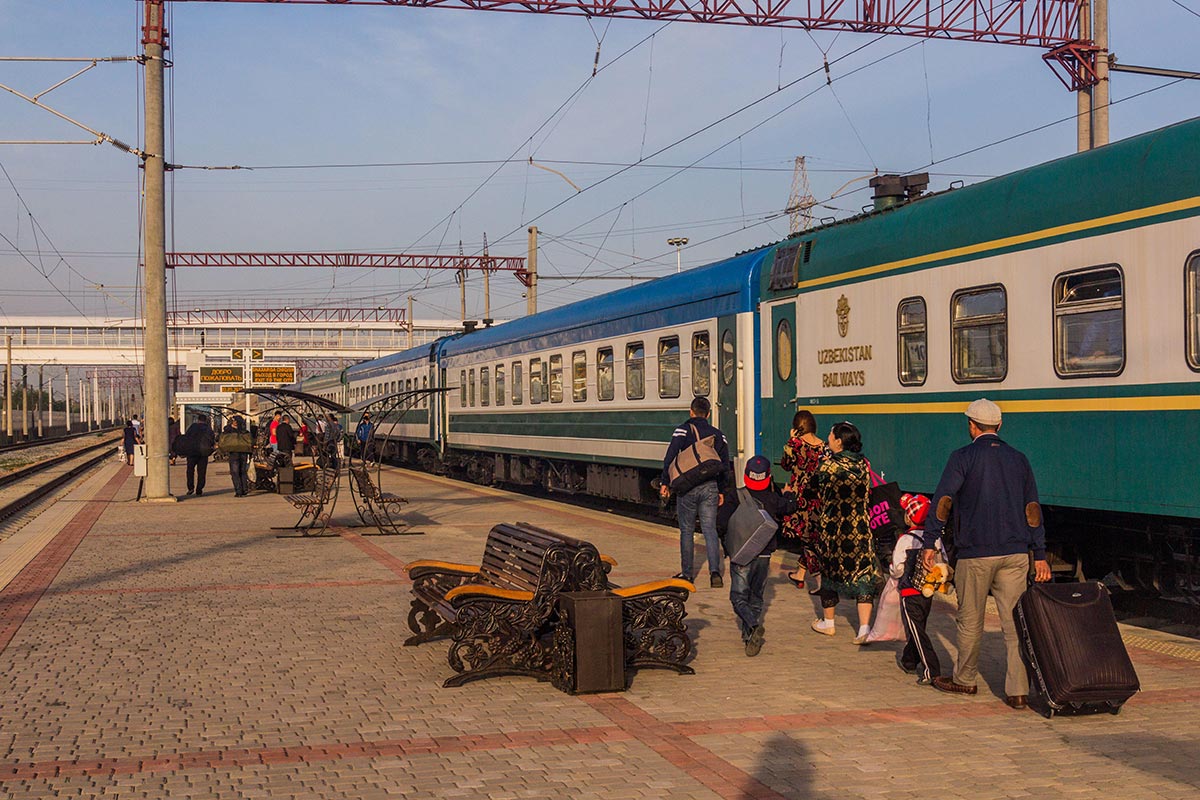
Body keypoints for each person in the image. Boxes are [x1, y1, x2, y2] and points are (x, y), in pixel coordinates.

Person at [923, 398, 1050, 709]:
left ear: (971, 425)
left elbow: (944, 502)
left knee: (969, 620)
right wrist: (1040, 553)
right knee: (1013, 622)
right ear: (1000, 425)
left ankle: (965, 680)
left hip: (975, 555)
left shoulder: (962, 457)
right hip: (1016, 554)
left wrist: (930, 541)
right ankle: (1018, 691)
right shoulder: (1019, 459)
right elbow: (1032, 509)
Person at [803, 421, 878, 644]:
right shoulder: (864, 465)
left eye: (830, 434)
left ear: (838, 441)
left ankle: (829, 623)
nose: (827, 437)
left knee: (829, 574)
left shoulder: (827, 467)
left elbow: (809, 490)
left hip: (833, 531)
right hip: (860, 530)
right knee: (863, 575)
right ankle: (864, 629)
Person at [719, 455, 797, 657]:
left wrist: (726, 542)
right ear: (768, 477)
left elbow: (721, 522)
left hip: (742, 554)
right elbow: (790, 507)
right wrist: (789, 495)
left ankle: (753, 626)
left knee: (738, 598)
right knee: (756, 598)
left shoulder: (735, 496)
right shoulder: (773, 498)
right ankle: (749, 639)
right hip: (764, 555)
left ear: (745, 476)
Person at [660, 396, 731, 588]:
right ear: (708, 414)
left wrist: (665, 482)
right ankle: (715, 573)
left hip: (687, 487)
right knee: (710, 529)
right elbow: (725, 465)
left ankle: (687, 574)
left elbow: (670, 458)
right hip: (710, 487)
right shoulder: (718, 434)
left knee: (687, 530)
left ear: (691, 412)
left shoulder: (682, 430)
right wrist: (722, 490)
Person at [891, 493, 947, 686]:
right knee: (919, 627)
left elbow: (898, 568)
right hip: (927, 591)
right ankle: (909, 660)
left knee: (916, 631)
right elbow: (944, 562)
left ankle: (931, 669)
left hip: (909, 592)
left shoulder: (905, 540)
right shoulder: (935, 539)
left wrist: (893, 574)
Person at [780, 409, 826, 591]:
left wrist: (790, 441)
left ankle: (820, 582)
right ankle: (800, 574)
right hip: (818, 497)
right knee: (811, 537)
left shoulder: (796, 444)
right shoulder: (823, 446)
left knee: (808, 540)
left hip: (801, 497)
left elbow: (785, 465)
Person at [183, 413, 216, 497]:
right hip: (203, 453)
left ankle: (190, 487)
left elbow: (186, 438)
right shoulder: (208, 429)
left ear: (198, 420)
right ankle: (199, 489)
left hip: (192, 452)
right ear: (205, 420)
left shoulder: (192, 427)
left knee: (190, 470)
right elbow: (212, 440)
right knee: (201, 472)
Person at [222, 415, 251, 497]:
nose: (233, 422)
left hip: (234, 454)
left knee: (235, 472)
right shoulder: (245, 431)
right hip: (243, 454)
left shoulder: (229, 430)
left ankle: (239, 490)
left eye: (234, 420)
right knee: (242, 472)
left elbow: (224, 433)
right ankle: (244, 489)